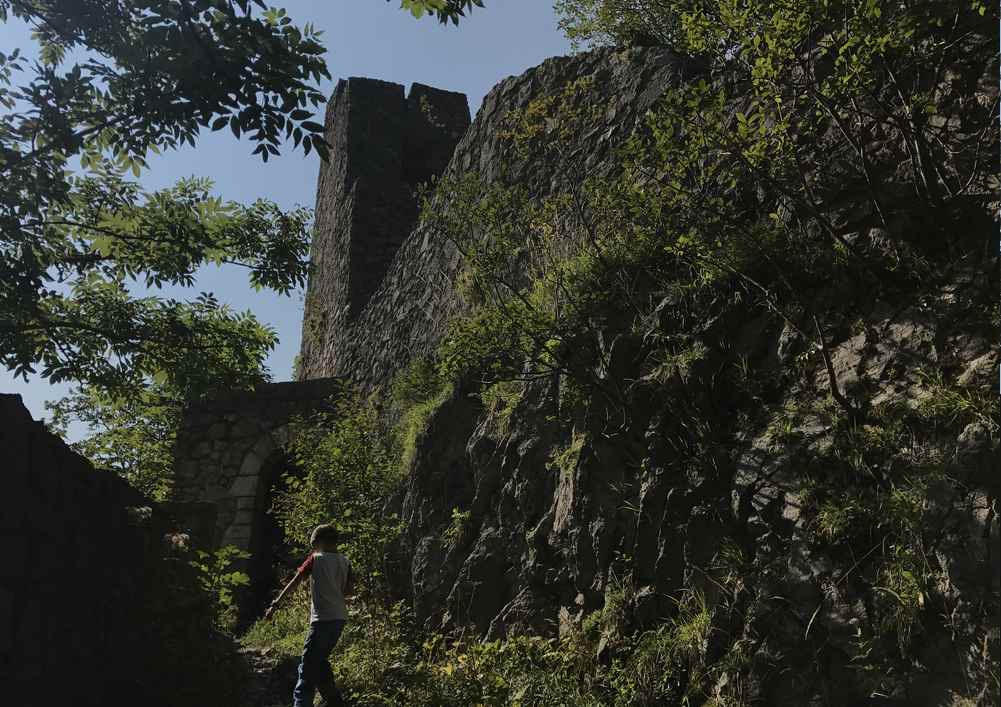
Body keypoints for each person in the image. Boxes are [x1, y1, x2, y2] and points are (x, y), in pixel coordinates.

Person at [266, 523, 354, 707]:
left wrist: (275, 604)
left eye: (313, 544)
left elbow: (294, 582)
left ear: (319, 542)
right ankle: (335, 701)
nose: (313, 548)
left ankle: (301, 704)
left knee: (306, 666)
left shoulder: (316, 558)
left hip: (322, 620)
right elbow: (348, 592)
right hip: (339, 619)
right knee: (319, 661)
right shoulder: (345, 561)